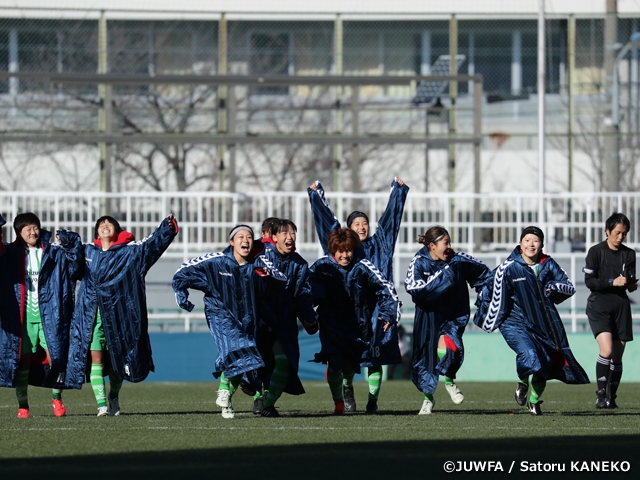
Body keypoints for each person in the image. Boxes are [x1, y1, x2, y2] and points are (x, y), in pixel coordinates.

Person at [308, 177, 409, 411]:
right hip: (347, 312)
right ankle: (347, 391)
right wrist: (316, 195)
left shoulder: (381, 244)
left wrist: (398, 192)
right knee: (346, 359)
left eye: (364, 223)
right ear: (348, 231)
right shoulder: (340, 249)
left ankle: (372, 401)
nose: (362, 227)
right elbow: (326, 223)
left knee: (377, 357)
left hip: (378, 311)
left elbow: (390, 221)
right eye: (356, 224)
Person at [66, 214, 178, 416]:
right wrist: (69, 242)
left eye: (109, 223)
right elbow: (73, 268)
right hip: (92, 317)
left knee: (118, 363)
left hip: (119, 319)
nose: (104, 226)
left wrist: (166, 228)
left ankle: (114, 396)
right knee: (96, 358)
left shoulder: (130, 253)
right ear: (96, 232)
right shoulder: (88, 251)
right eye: (100, 224)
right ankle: (101, 406)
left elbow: (152, 245)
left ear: (117, 230)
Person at [172, 224, 287, 419]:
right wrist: (182, 296)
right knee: (236, 349)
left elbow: (282, 279)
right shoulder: (215, 261)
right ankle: (224, 389)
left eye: (249, 237)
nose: (246, 240)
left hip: (248, 318)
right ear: (231, 242)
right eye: (240, 237)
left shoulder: (260, 262)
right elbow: (182, 272)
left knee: (246, 357)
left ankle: (226, 399)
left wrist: (268, 275)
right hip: (220, 315)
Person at [475, 226, 589, 415]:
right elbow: (488, 286)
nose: (531, 244)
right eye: (527, 240)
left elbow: (569, 286)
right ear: (520, 243)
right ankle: (522, 382)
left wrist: (552, 287)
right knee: (530, 356)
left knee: (544, 364)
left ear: (542, 244)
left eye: (535, 240)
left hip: (544, 323)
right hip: (514, 322)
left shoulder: (548, 264)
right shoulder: (508, 267)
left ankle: (534, 401)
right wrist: (484, 310)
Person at [310, 228, 400, 415]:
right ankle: (339, 403)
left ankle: (371, 402)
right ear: (333, 250)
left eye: (349, 250)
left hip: (359, 326)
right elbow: (304, 290)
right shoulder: (321, 267)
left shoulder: (364, 266)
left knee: (362, 363)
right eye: (341, 251)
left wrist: (389, 313)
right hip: (331, 325)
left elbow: (386, 289)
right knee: (335, 364)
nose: (345, 255)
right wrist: (307, 310)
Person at [2, 212, 81, 418]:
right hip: (23, 318)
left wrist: (67, 239)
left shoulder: (53, 251)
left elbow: (76, 260)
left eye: (35, 227)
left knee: (56, 358)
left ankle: (57, 399)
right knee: (23, 362)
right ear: (19, 232)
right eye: (27, 228)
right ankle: (23, 406)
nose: (32, 231)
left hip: (51, 316)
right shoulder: (11, 253)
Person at [405, 226, 490, 415]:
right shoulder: (419, 262)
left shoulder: (458, 260)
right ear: (432, 246)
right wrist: (444, 277)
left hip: (453, 315)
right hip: (428, 317)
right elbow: (415, 289)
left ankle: (450, 381)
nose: (450, 247)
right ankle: (428, 399)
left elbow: (485, 275)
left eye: (450, 242)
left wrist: (484, 296)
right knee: (424, 361)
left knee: (452, 346)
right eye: (446, 243)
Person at [255, 219, 318, 417]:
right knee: (250, 361)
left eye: (292, 233)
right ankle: (242, 395)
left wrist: (309, 318)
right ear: (273, 237)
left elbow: (303, 295)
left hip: (284, 322)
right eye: (284, 233)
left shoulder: (299, 264)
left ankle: (268, 404)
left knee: (284, 363)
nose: (289, 237)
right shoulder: (259, 255)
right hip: (260, 319)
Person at [584, 212, 637, 409]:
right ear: (607, 231)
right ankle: (600, 395)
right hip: (599, 305)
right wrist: (611, 281)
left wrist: (631, 285)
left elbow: (629, 278)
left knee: (617, 356)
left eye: (624, 233)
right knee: (606, 350)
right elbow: (590, 281)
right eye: (617, 232)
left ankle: (612, 397)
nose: (620, 237)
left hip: (621, 306)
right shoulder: (595, 252)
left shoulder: (629, 254)